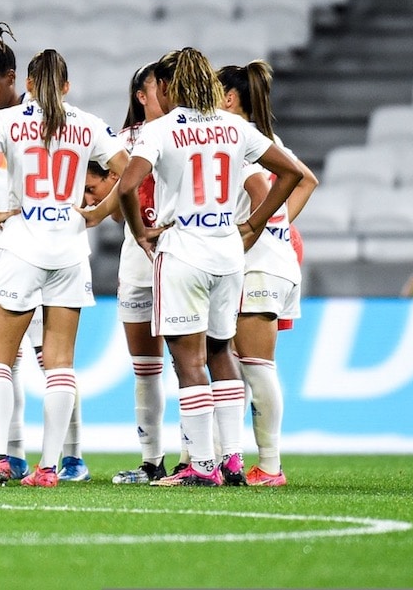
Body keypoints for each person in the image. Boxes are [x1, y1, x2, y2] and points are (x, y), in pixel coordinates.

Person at [117, 47, 303, 487]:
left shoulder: (161, 130)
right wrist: (255, 223)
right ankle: (232, 460)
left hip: (184, 252)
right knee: (222, 352)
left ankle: (201, 466)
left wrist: (141, 233)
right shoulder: (235, 127)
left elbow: (127, 184)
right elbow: (293, 173)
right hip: (228, 254)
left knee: (188, 361)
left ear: (168, 86)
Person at [0, 49, 129, 487]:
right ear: (66, 86)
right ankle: (50, 467)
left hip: (22, 246)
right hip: (70, 250)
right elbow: (129, 172)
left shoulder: (7, 121)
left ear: (28, 84)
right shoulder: (88, 124)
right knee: (60, 365)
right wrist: (99, 211)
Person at [218, 61, 318, 487]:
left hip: (257, 265)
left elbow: (259, 188)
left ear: (227, 97)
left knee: (255, 367)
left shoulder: (237, 140)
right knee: (245, 365)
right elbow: (306, 181)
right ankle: (234, 457)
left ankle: (271, 466)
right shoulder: (267, 138)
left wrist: (254, 230)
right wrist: (278, 226)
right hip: (274, 260)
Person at [81, 63, 177, 485]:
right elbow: (116, 196)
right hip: (138, 259)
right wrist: (92, 215)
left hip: (182, 255)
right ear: (141, 94)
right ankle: (151, 460)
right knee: (146, 365)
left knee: (193, 360)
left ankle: (199, 457)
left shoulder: (190, 131)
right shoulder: (122, 143)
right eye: (162, 86)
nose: (171, 92)